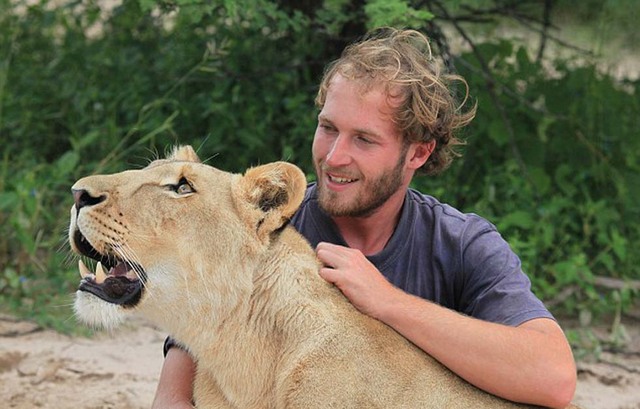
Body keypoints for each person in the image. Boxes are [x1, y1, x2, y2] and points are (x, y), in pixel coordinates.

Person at [152, 28, 577, 409]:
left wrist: (388, 302)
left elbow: (554, 378)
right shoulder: (267, 221)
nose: (335, 157)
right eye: (328, 128)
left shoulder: (461, 243)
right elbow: (178, 379)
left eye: (364, 139)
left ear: (418, 152)